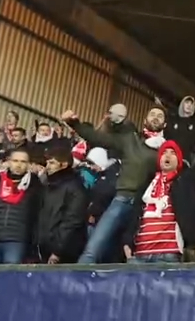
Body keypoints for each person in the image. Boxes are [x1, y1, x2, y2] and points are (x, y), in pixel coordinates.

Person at [62, 105, 166, 263]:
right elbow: (98, 138)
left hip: (148, 207)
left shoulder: (167, 149)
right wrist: (75, 123)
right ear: (145, 120)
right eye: (152, 114)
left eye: (160, 115)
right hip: (122, 198)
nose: (156, 117)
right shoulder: (130, 140)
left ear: (165, 125)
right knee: (93, 249)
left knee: (134, 256)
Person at [122, 111, 195, 263]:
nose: (168, 155)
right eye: (164, 152)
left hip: (169, 255)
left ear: (178, 161)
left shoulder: (186, 180)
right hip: (140, 255)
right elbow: (136, 214)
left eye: (173, 153)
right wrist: (127, 244)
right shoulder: (148, 183)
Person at [0, 149, 41, 264]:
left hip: (17, 240)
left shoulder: (35, 184)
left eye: (23, 162)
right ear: (8, 162)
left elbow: (37, 214)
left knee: (11, 275)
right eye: (15, 161)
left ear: (29, 164)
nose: (18, 165)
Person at [35, 146, 88, 264]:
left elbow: (72, 221)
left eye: (52, 163)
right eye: (47, 162)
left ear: (64, 165)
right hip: (44, 247)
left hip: (64, 252)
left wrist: (57, 251)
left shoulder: (75, 188)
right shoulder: (48, 185)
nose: (47, 166)